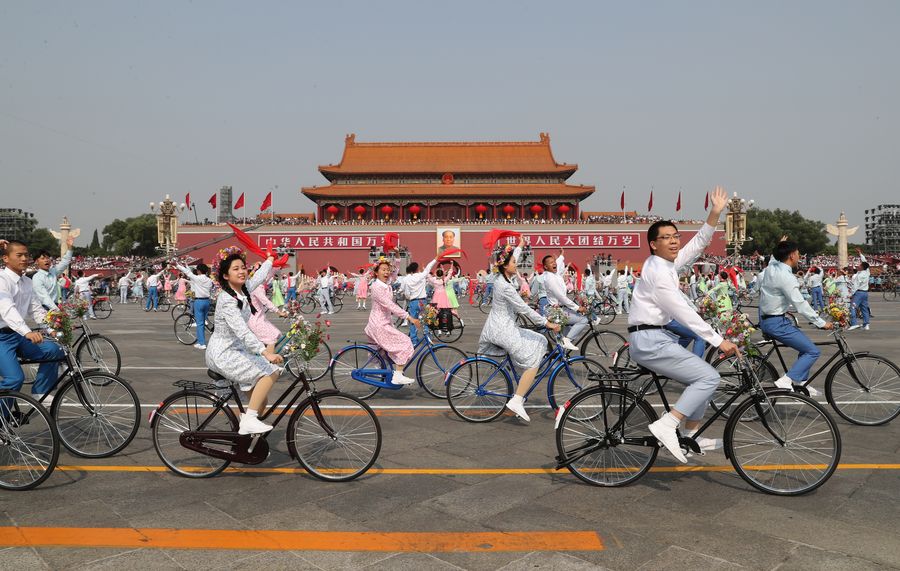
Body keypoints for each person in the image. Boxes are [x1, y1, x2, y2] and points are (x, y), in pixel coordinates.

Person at [627, 186, 739, 464]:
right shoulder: (659, 273)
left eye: (676, 236)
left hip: (655, 338)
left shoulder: (664, 264)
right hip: (650, 342)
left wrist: (714, 212)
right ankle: (668, 424)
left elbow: (697, 244)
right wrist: (718, 340)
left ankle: (691, 435)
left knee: (701, 378)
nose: (674, 241)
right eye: (666, 237)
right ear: (653, 244)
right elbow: (683, 312)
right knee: (709, 378)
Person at [478, 242, 561, 422]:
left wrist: (520, 246)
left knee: (540, 340)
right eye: (514, 262)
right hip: (502, 330)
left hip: (503, 326)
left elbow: (510, 258)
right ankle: (517, 400)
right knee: (532, 362)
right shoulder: (505, 286)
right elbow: (523, 309)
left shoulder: (502, 278)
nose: (516, 264)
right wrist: (546, 323)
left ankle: (521, 385)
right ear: (505, 266)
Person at [206, 253, 283, 435]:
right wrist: (265, 352)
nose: (241, 271)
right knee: (271, 371)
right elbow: (242, 331)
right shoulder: (227, 299)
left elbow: (258, 277)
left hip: (237, 350)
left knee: (261, 401)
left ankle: (246, 435)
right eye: (236, 269)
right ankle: (248, 421)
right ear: (226, 276)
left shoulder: (243, 290)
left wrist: (269, 260)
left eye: (243, 267)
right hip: (224, 354)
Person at [758, 240, 834, 396]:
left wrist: (780, 245)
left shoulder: (771, 268)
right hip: (776, 323)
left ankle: (801, 382)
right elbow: (800, 304)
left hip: (769, 320)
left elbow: (773, 259)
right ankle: (786, 381)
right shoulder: (786, 277)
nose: (800, 257)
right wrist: (821, 323)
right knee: (812, 351)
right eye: (798, 254)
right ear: (792, 255)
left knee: (805, 347)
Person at [0, 240, 66, 404]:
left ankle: (40, 392)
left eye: (26, 255)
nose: (24, 259)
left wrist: (51, 328)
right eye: (19, 255)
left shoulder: (27, 282)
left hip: (18, 335)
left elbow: (36, 310)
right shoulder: (2, 280)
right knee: (14, 378)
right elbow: (7, 310)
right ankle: (3, 415)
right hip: (2, 338)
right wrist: (27, 332)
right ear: (5, 258)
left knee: (54, 350)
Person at [365, 259, 421, 385]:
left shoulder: (386, 283)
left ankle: (388, 373)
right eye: (383, 270)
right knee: (405, 342)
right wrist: (409, 317)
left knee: (388, 353)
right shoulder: (376, 287)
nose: (386, 272)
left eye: (387, 270)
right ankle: (398, 376)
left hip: (384, 323)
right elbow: (390, 305)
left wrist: (397, 257)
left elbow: (394, 273)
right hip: (379, 325)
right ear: (376, 272)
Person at [541, 247, 588, 352]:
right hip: (556, 312)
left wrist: (562, 254)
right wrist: (577, 308)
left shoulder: (554, 273)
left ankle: (560, 356)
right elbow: (561, 297)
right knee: (583, 320)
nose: (554, 263)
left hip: (560, 310)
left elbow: (558, 262)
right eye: (551, 263)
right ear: (545, 267)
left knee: (561, 342)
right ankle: (567, 341)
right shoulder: (549, 278)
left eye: (554, 261)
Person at [248, 268, 290, 354]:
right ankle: (269, 361)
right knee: (271, 340)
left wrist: (276, 267)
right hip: (256, 321)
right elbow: (266, 302)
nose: (268, 277)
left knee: (277, 334)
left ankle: (264, 356)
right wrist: (279, 312)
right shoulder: (256, 288)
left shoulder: (257, 285)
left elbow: (270, 274)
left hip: (261, 319)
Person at [175, 261, 214, 350]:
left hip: (199, 301)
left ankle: (202, 343)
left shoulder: (197, 278)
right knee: (202, 322)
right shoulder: (209, 280)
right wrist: (186, 266)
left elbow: (188, 273)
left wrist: (177, 265)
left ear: (199, 271)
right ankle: (201, 341)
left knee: (199, 323)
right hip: (207, 301)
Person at [32, 236, 75, 311]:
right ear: (36, 262)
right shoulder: (37, 277)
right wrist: (57, 310)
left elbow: (65, 262)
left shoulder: (53, 272)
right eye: (43, 258)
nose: (46, 260)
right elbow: (44, 298)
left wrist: (70, 248)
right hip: (43, 308)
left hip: (54, 306)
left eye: (48, 258)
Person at [401, 257, 437, 345]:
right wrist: (436, 259)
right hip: (422, 301)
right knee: (426, 320)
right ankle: (428, 338)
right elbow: (428, 267)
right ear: (417, 269)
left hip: (413, 301)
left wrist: (409, 297)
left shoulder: (407, 279)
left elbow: (406, 293)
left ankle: (414, 340)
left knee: (413, 321)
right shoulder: (421, 276)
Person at [847, 259, 871, 331]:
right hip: (865, 293)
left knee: (853, 307)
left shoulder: (859, 275)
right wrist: (861, 255)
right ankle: (866, 324)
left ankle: (854, 323)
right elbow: (865, 263)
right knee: (864, 308)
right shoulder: (867, 272)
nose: (858, 266)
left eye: (860, 265)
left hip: (859, 293)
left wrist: (851, 294)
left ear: (862, 267)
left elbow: (855, 286)